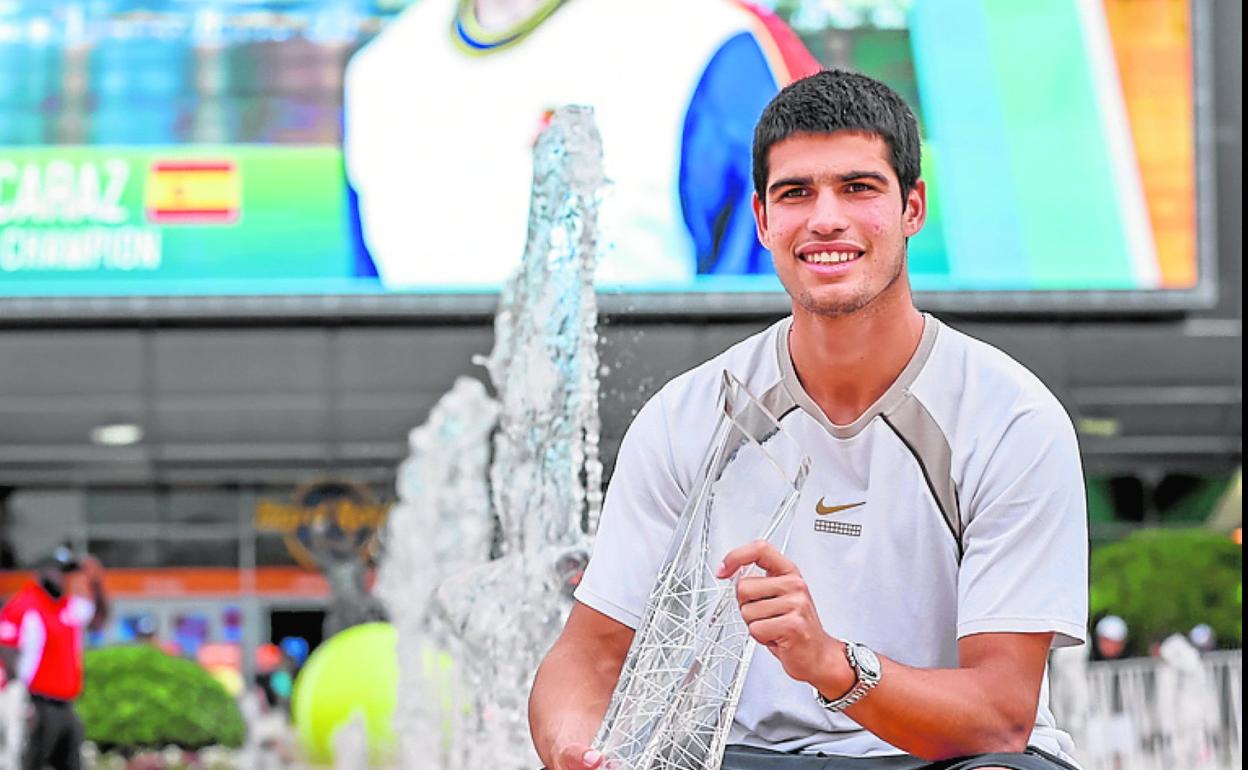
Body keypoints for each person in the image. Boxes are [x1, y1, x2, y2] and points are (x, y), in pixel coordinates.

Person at [529, 70, 1089, 769]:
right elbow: (586, 657)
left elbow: (1001, 715)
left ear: (913, 206)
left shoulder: (1011, 418)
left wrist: (830, 663)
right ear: (763, 220)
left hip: (948, 755)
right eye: (796, 193)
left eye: (858, 187)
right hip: (750, 755)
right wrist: (576, 749)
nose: (826, 218)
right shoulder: (686, 416)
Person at [343, 0, 817, 288]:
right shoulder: (380, 70)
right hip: (440, 447)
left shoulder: (710, 41)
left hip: (664, 446)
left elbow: (791, 322)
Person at [0, 546, 109, 770]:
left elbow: (98, 618)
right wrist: (19, 698)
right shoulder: (24, 605)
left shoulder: (68, 607)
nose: (63, 578)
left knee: (71, 762)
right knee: (29, 760)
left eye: (67, 573)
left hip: (65, 703)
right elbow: (6, 649)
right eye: (59, 572)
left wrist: (96, 582)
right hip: (34, 701)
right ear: (44, 572)